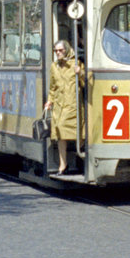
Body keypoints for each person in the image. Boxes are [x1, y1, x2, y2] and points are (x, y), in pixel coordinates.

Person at [45, 40, 82, 176]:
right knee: (60, 133)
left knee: (73, 130)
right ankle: (63, 164)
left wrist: (81, 73)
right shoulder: (54, 66)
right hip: (59, 105)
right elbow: (52, 87)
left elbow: (86, 82)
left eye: (61, 50)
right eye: (56, 51)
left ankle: (79, 156)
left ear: (67, 50)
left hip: (72, 104)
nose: (58, 53)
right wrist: (49, 101)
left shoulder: (76, 64)